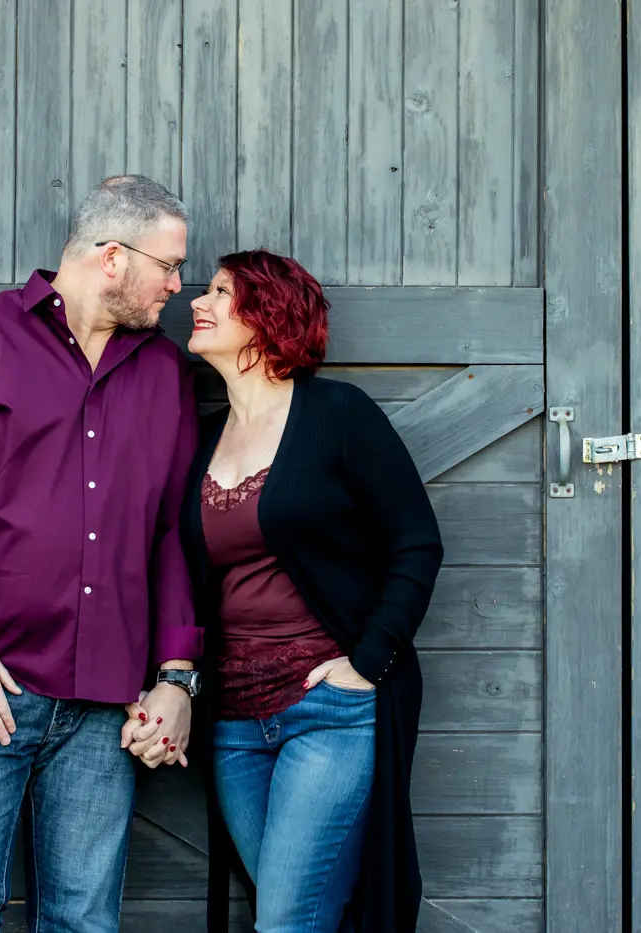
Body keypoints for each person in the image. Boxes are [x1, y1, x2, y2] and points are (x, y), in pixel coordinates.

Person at [0, 174, 206, 933]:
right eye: (169, 265)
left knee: (84, 919)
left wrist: (177, 676)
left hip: (104, 700)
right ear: (113, 259)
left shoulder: (163, 374)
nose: (178, 286)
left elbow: (172, 530)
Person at [125, 249, 443, 932]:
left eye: (218, 294)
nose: (195, 305)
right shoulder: (202, 438)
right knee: (296, 912)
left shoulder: (338, 415)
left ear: (267, 316)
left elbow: (416, 543)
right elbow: (176, 568)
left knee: (288, 920)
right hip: (235, 724)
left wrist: (365, 662)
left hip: (327, 712)